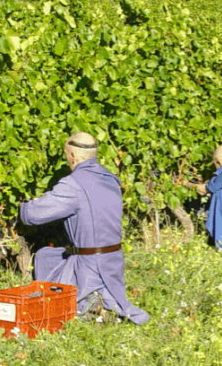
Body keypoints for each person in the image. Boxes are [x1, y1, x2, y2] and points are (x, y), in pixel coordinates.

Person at [20, 133, 150, 324]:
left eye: (66, 155)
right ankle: (99, 305)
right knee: (48, 256)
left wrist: (22, 205)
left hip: (90, 264)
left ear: (73, 156)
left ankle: (90, 305)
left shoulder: (73, 185)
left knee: (43, 258)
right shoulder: (111, 179)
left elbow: (32, 215)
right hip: (113, 260)